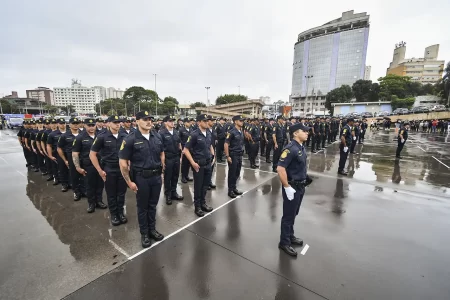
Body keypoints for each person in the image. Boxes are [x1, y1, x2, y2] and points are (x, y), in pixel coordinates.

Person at [119, 111, 165, 248]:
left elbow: (162, 152)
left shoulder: (156, 136)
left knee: (152, 205)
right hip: (141, 178)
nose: (149, 121)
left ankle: (152, 229)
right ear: (137, 121)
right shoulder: (130, 139)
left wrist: (161, 171)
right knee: (142, 207)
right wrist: (129, 182)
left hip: (156, 177)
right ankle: (144, 234)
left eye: (150, 119)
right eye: (145, 119)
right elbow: (123, 162)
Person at [276, 122, 313, 257]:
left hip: (300, 186)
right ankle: (284, 242)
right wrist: (287, 187)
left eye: (307, 131)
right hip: (292, 187)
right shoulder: (290, 148)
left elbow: (298, 166)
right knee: (288, 215)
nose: (307, 133)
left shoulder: (301, 147)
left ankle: (290, 236)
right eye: (304, 131)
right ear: (295, 133)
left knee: (294, 213)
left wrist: (305, 177)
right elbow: (280, 168)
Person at [90, 115, 128, 226]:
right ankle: (114, 215)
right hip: (109, 169)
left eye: (119, 122)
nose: (117, 124)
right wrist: (99, 170)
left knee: (121, 193)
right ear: (109, 123)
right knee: (111, 194)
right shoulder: (102, 137)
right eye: (115, 122)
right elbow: (92, 154)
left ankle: (120, 213)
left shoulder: (124, 135)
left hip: (121, 169)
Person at [183, 114, 215, 217]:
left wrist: (213, 155)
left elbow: (210, 145)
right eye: (204, 121)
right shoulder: (194, 134)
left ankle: (203, 203)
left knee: (205, 185)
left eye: (207, 121)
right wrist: (192, 162)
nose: (207, 122)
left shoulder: (209, 133)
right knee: (198, 186)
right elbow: (185, 150)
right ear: (199, 122)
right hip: (199, 164)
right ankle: (197, 207)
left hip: (208, 164)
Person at [72, 118, 107, 213]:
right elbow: (75, 153)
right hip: (88, 165)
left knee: (100, 184)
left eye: (93, 125)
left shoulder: (100, 136)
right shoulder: (80, 137)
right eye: (89, 125)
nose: (91, 127)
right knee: (90, 185)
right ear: (84, 125)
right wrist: (78, 167)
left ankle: (99, 201)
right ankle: (91, 204)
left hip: (100, 164)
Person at [159, 115, 184, 205]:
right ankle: (168, 195)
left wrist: (180, 157)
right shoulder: (161, 133)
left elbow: (179, 144)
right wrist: (162, 161)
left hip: (176, 157)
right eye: (170, 121)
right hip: (167, 158)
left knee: (175, 176)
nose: (172, 122)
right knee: (167, 177)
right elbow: (160, 149)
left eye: (173, 121)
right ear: (165, 122)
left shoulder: (176, 132)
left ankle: (174, 192)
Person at [57, 117, 79, 194]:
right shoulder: (64, 136)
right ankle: (76, 192)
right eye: (74, 124)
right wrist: (65, 160)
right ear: (69, 125)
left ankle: (83, 190)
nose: (76, 125)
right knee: (73, 175)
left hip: (82, 157)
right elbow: (59, 148)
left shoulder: (83, 134)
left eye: (77, 123)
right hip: (70, 157)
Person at [224, 115, 245, 198]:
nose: (242, 122)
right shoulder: (231, 132)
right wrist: (227, 156)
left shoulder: (241, 131)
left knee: (237, 172)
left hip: (239, 154)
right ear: (235, 121)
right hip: (233, 154)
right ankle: (230, 190)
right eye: (240, 121)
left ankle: (234, 188)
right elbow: (226, 144)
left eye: (242, 121)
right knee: (232, 173)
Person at [47, 118, 65, 185]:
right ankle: (62, 183)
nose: (62, 125)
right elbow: (49, 145)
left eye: (63, 123)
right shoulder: (52, 134)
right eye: (61, 124)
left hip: (68, 153)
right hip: (57, 154)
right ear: (58, 124)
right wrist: (50, 155)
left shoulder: (69, 132)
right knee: (60, 169)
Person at [179, 118, 193, 183]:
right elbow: (179, 140)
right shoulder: (181, 130)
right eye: (188, 122)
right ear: (184, 123)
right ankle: (183, 177)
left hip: (190, 149)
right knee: (184, 164)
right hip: (184, 149)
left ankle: (187, 175)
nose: (189, 123)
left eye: (189, 122)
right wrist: (181, 149)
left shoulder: (191, 129)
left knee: (188, 163)